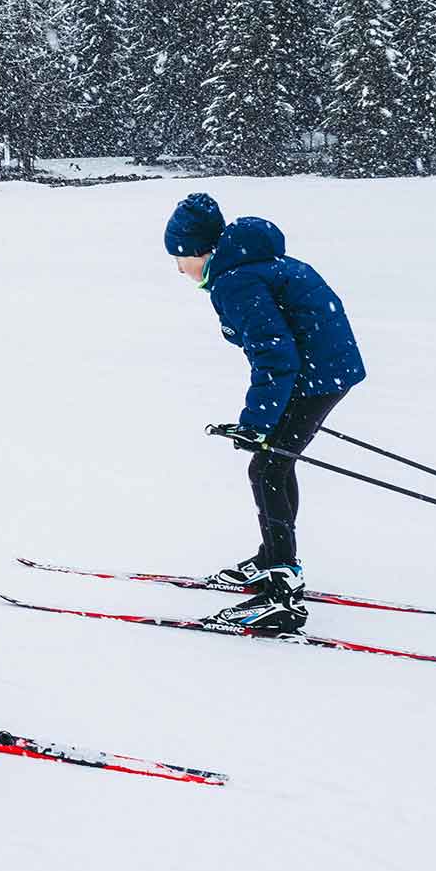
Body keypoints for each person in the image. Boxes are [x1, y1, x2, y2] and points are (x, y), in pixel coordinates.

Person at [163, 193, 366, 635]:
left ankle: (281, 592)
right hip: (328, 370)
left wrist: (257, 424)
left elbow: (275, 357)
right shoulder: (254, 264)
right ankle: (273, 562)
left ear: (199, 251)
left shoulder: (235, 280)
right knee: (274, 463)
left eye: (179, 257)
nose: (179, 269)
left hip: (316, 376)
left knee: (268, 467)